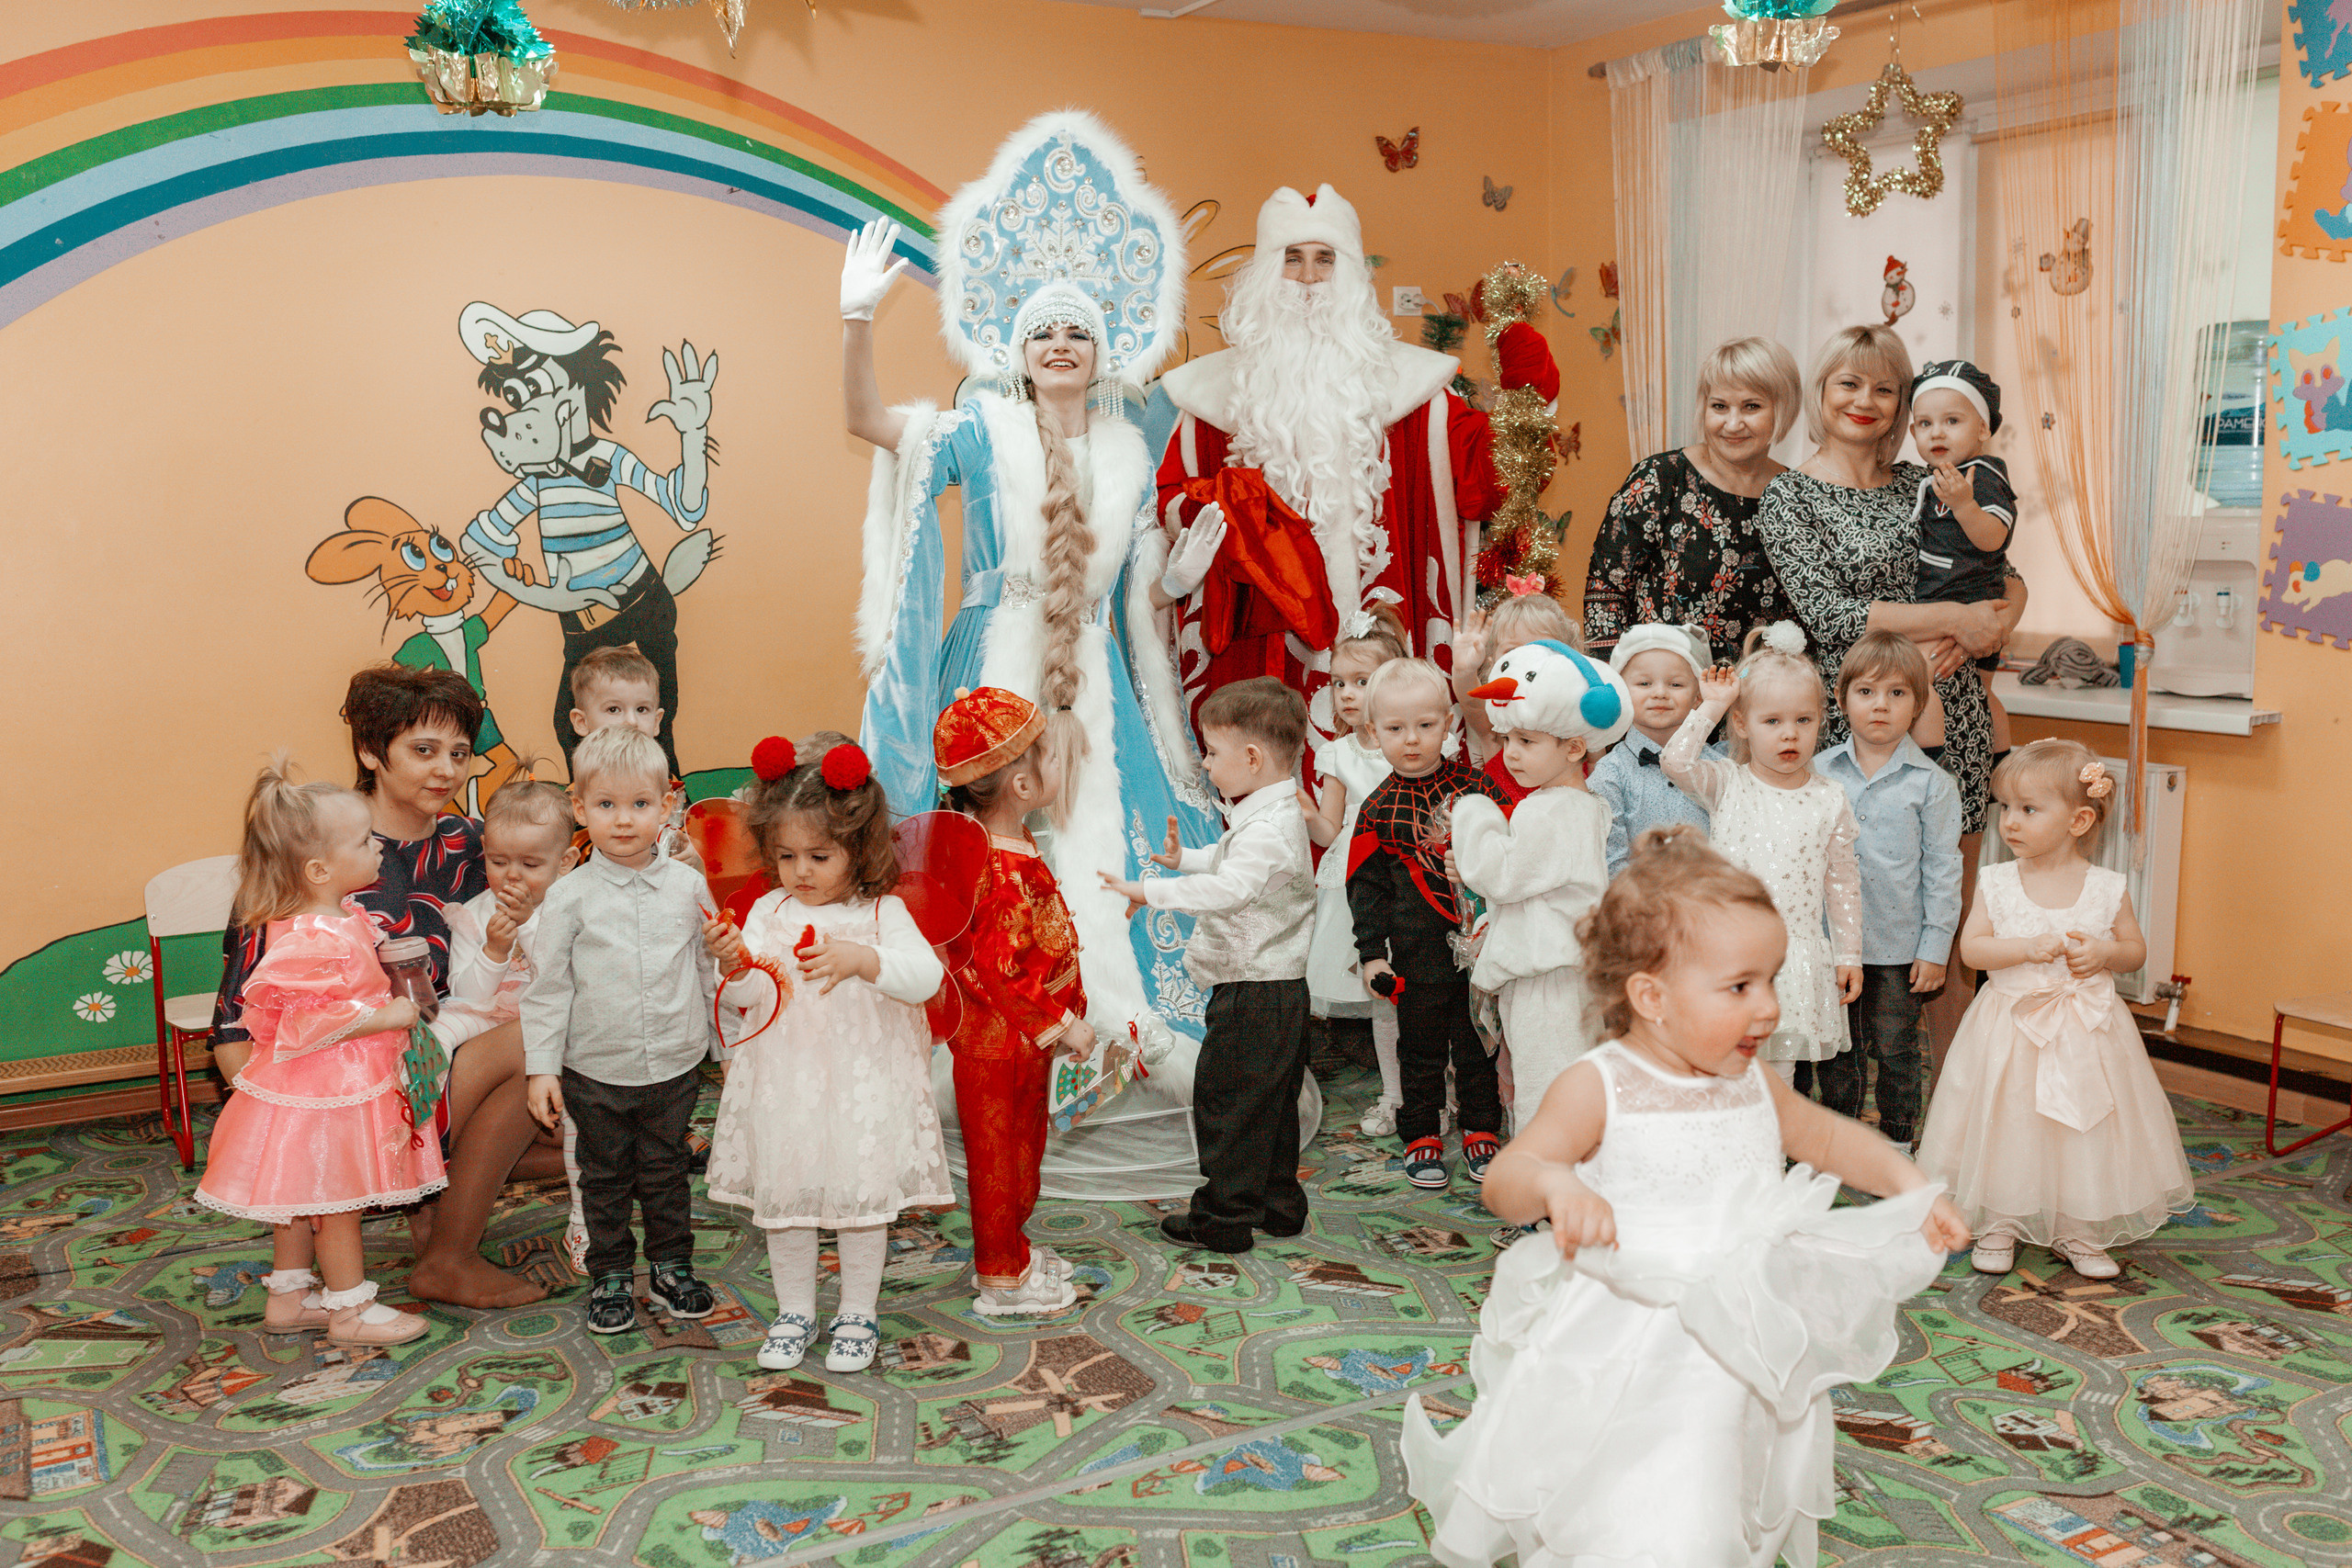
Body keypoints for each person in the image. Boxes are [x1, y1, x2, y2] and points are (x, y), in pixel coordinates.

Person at [1401, 827, 1970, 1568]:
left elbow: (1828, 1139)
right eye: (1740, 986)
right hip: (1634, 1336)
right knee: (1655, 1510)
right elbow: (1510, 1177)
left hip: (1740, 1334)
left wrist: (1910, 1186)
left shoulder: (1752, 1079)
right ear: (1651, 995)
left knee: (1718, 1490)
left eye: (1771, 977)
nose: (1767, 1007)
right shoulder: (1601, 1083)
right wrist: (1556, 1180)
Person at [841, 111, 1224, 1197]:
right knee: (988, 843)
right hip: (994, 663)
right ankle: (984, 1029)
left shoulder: (1125, 447)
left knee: (1104, 834)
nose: (1061, 348)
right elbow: (871, 424)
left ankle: (1108, 1030)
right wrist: (856, 324)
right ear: (1016, 349)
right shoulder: (979, 433)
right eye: (1044, 334)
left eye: (1080, 335)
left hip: (1093, 677)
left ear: (1104, 355)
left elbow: (1138, 588)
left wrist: (1175, 584)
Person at [209, 664, 556, 1310]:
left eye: (459, 752)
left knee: (574, 1069)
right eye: (423, 750)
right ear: (371, 752)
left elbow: (562, 906)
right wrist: (298, 1128)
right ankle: (445, 1251)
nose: (447, 770)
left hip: (444, 1054)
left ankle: (437, 1220)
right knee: (539, 1039)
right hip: (354, 1085)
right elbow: (234, 1026)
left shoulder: (474, 843)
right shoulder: (314, 852)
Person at [1155, 183, 1503, 749]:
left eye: (1325, 260)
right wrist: (1229, 509)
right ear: (1267, 272)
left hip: (1381, 624)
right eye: (1292, 259)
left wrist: (1515, 413)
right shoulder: (1215, 395)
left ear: (1350, 275)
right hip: (1266, 642)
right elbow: (1172, 498)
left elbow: (1475, 481)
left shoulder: (1413, 389)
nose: (1311, 278)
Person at [703, 733, 952, 1373]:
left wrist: (864, 960)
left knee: (860, 1200)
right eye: (786, 855)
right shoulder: (767, 910)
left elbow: (925, 978)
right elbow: (754, 997)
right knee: (786, 1201)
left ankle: (858, 1311)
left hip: (861, 1088)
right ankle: (794, 1310)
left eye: (819, 854)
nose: (801, 871)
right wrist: (736, 965)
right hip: (788, 1085)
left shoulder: (881, 913)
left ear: (858, 847)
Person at [1916, 741, 2195, 1280]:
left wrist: (2106, 954)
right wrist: (2023, 948)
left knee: (2080, 1126)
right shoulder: (1997, 881)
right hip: (2009, 1026)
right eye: (2005, 809)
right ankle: (2000, 1219)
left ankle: (2078, 1223)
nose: (2009, 823)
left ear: (2079, 819)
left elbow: (2136, 951)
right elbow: (1972, 951)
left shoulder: (2107, 887)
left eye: (2028, 809)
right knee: (2009, 1120)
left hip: (2085, 1031)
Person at [195, 762, 443, 1346]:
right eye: (363, 840)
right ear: (319, 868)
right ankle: (350, 1312)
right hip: (329, 1088)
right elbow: (305, 1022)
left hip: (322, 1085)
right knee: (337, 1201)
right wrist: (389, 1014)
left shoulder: (338, 917)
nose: (377, 846)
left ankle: (288, 1296)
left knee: (300, 1195)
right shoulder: (316, 935)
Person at [1752, 325, 2027, 841]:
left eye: (1884, 390)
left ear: (1902, 406)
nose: (1865, 401)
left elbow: (2005, 576)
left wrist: (1997, 625)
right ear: (1822, 392)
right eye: (1849, 384)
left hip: (1956, 703)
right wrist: (1958, 619)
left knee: (1947, 896)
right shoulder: (1789, 495)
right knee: (1860, 894)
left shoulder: (1925, 481)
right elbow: (1832, 615)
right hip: (1858, 719)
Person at [1107, 678, 1316, 1256]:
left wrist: (1153, 889)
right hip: (1278, 990)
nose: (1205, 761)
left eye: (1213, 751)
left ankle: (1223, 1218)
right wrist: (1186, 859)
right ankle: (1278, 1204)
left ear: (1251, 757)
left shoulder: (1268, 828)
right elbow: (1235, 863)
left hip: (1255, 993)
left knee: (1228, 1103)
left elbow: (1231, 888)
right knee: (1271, 1103)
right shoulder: (1269, 813)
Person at [523, 726, 718, 1334]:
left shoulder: (689, 886)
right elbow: (549, 987)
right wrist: (541, 1068)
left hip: (674, 1063)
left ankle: (671, 1265)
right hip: (595, 1068)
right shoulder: (567, 897)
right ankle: (610, 1272)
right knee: (603, 1175)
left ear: (665, 806)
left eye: (639, 804)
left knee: (664, 1171)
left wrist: (728, 1048)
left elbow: (710, 969)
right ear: (580, 808)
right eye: (606, 805)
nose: (625, 820)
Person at [929, 687, 1095, 1314]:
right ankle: (1000, 1275)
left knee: (1024, 1146)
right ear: (1022, 785)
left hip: (1024, 1040)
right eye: (1049, 756)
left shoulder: (1012, 845)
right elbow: (997, 971)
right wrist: (1061, 1022)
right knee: (999, 1156)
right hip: (1001, 1040)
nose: (1059, 765)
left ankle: (1014, 1249)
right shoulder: (994, 867)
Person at [1662, 626, 1862, 1082]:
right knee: (1715, 1068)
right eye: (1772, 722)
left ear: (1819, 721)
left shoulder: (1830, 798)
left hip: (1792, 959)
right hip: (1726, 954)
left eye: (1803, 721)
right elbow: (1676, 763)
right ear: (1741, 724)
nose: (1789, 735)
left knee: (1777, 1077)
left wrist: (1849, 954)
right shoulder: (1728, 783)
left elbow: (1843, 883)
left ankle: (1768, 1153)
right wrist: (1712, 704)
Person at [1453, 640, 1630, 1133]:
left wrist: (1474, 813)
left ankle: (1545, 1192)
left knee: (1544, 1088)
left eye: (1526, 741)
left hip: (1548, 979)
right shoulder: (1581, 803)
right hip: (1568, 973)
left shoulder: (1549, 810)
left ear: (1574, 747)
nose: (1510, 754)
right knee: (1567, 1083)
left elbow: (1498, 875)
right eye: (1505, 738)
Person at [1349, 659, 1509, 1190]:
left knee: (1478, 1042)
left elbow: (1515, 846)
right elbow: (1365, 888)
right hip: (1416, 955)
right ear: (1374, 733)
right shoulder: (1376, 809)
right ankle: (1420, 1133)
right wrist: (1371, 952)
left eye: (1425, 726)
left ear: (1449, 723)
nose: (1411, 740)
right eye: (1395, 729)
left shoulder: (1477, 786)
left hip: (1481, 946)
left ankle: (1482, 1126)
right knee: (1418, 1047)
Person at [1815, 634, 1962, 1150]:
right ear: (1842, 699)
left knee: (1897, 1047)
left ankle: (1899, 1141)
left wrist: (1935, 947)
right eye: (1867, 691)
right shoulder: (1816, 775)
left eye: (1898, 694)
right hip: (1831, 944)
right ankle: (1840, 1140)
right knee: (1835, 1049)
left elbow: (1944, 870)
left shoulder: (1933, 785)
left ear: (1917, 706)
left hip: (1899, 948)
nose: (1881, 705)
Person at [434, 777, 584, 1266]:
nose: (511, 877)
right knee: (448, 1024)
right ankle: (425, 1088)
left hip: (556, 1026)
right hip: (488, 1019)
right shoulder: (475, 915)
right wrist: (496, 949)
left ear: (566, 862)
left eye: (531, 864)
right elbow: (468, 992)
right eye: (498, 862)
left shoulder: (573, 910)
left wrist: (530, 931)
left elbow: (564, 981)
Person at [1581, 335, 1803, 663]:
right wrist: (1613, 685)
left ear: (1782, 409)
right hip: (1660, 697)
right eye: (1719, 406)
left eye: (1751, 406)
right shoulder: (1660, 477)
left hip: (1757, 699)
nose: (1732, 423)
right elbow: (1606, 591)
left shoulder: (1794, 495)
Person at [1298, 605, 1408, 1135]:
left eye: (1361, 681)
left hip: (1408, 872)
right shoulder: (1336, 755)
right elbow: (1329, 830)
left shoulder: (1411, 742)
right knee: (1381, 993)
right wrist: (1305, 813)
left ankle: (1438, 1081)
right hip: (1355, 876)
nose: (1345, 693)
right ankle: (1393, 1095)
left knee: (1420, 986)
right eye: (1339, 682)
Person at [1907, 359, 2018, 755]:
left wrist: (1965, 505)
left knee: (1917, 675)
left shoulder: (1983, 475)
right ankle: (2000, 767)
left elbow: (1994, 539)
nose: (1937, 431)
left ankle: (1928, 763)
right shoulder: (1933, 476)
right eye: (1925, 424)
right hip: (1947, 597)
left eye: (1952, 421)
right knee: (1984, 692)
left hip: (1964, 598)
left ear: (1984, 428)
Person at [1590, 623, 1720, 878]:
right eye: (1644, 683)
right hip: (1641, 909)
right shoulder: (1609, 775)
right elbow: (1611, 862)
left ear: (1698, 697)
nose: (1659, 693)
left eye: (1675, 685)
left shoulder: (1719, 768)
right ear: (1621, 693)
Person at [1449, 587, 1586, 789]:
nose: (1526, 660)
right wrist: (1464, 670)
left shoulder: (1579, 716)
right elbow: (1470, 702)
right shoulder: (1498, 718)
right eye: (1513, 651)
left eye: (1541, 648)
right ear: (1492, 662)